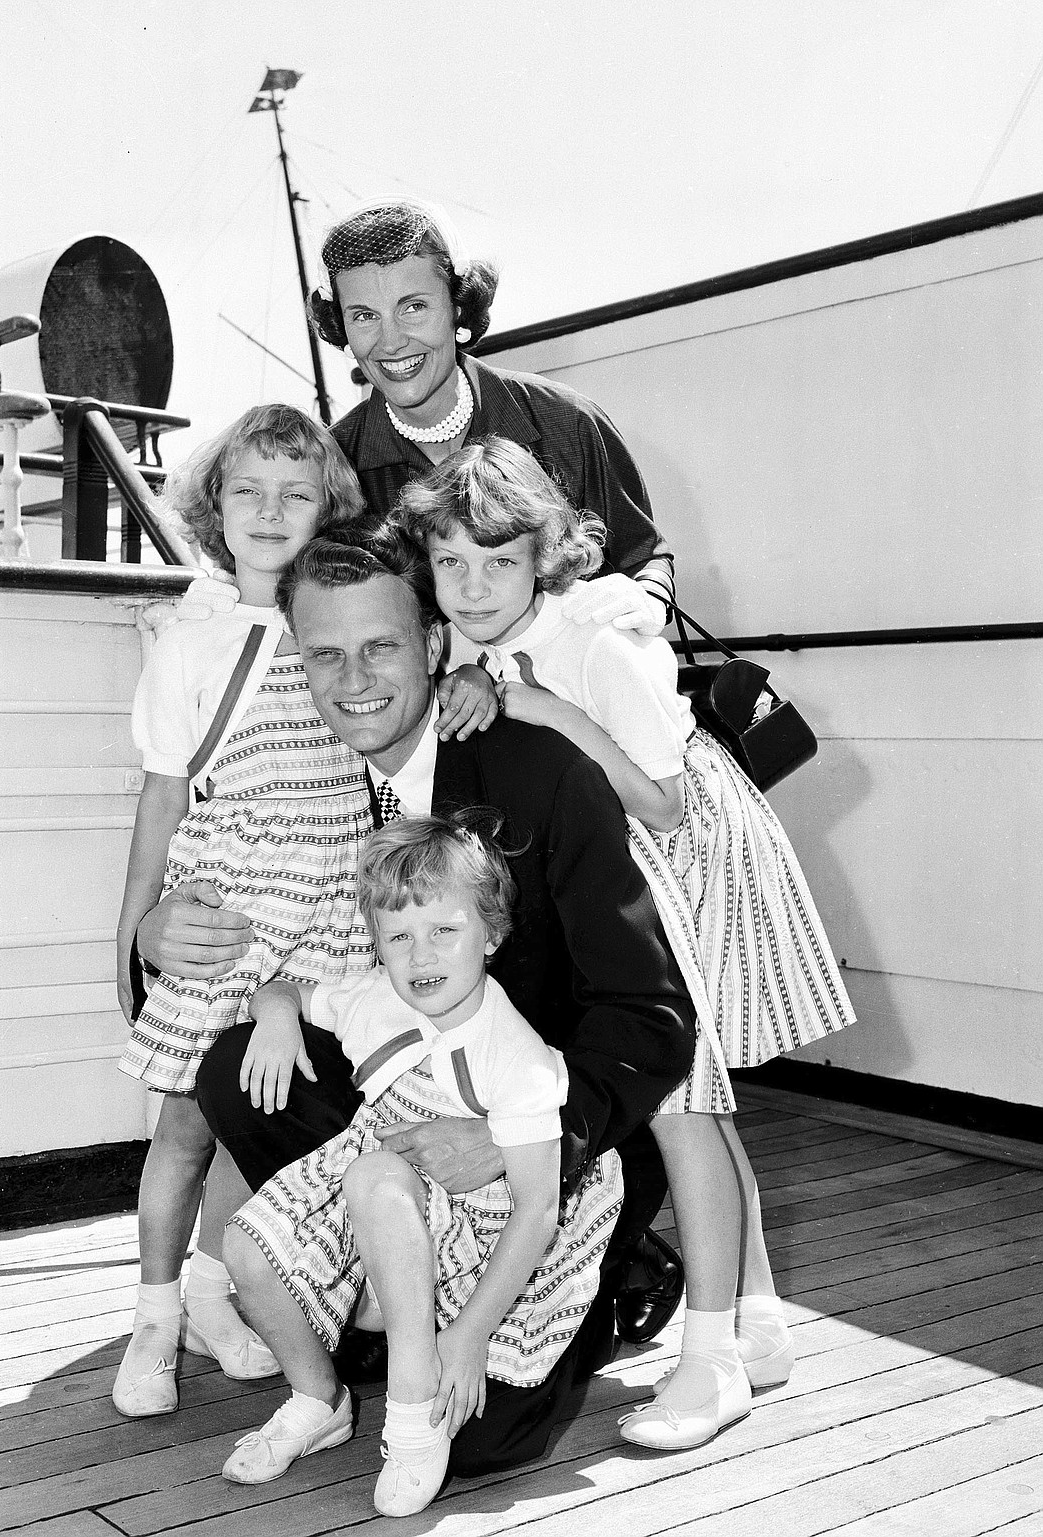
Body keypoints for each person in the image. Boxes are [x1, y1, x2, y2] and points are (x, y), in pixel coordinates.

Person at [179, 523, 698, 1473]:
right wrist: (157, 932)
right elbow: (207, 885)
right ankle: (379, 1300)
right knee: (238, 1067)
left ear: (431, 643)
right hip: (402, 1116)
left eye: (379, 645)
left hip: (544, 1135)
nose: (353, 678)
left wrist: (509, 1140)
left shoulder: (542, 775)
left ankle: (613, 1264)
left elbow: (651, 1022)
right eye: (324, 653)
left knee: (473, 1446)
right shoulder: (309, 771)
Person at [397, 436, 857, 1451]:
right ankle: (761, 1318)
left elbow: (667, 803)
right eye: (452, 564)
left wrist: (551, 712)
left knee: (680, 1106)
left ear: (543, 559)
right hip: (605, 865)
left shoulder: (602, 643)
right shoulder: (467, 644)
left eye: (499, 562)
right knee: (701, 1112)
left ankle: (714, 1361)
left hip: (673, 864)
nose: (474, 586)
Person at [220, 815, 623, 1517]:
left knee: (374, 1176)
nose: (421, 954)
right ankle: (319, 1398)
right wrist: (278, 1017)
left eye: (445, 930)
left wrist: (466, 1336)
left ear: (491, 934)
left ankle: (412, 1402)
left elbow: (537, 1208)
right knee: (247, 1246)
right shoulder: (376, 998)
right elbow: (281, 989)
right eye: (398, 936)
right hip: (382, 1190)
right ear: (376, 945)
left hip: (478, 1227)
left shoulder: (514, 1054)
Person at [110, 404, 378, 1419]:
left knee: (267, 1110)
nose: (270, 511)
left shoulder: (340, 620)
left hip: (328, 904)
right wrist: (132, 938)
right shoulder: (188, 637)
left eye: (295, 492)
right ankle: (157, 1316)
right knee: (183, 1123)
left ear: (328, 505)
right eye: (248, 490)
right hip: (227, 899)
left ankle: (228, 1293)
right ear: (214, 504)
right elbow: (163, 797)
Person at [180, 197, 672, 637]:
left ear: (459, 308)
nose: (390, 341)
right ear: (341, 327)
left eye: (413, 307)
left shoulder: (565, 420)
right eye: (365, 315)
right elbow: (292, 579)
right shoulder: (336, 461)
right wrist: (224, 597)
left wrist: (646, 596)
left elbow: (644, 555)